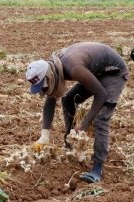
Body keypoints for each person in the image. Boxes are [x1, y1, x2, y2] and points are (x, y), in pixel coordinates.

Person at [25, 42, 128, 183]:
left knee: (99, 119)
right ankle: (70, 144)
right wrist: (44, 137)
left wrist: (85, 123)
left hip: (113, 73)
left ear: (50, 77)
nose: (46, 89)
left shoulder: (74, 68)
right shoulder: (54, 67)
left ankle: (97, 168)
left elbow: (101, 94)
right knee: (68, 100)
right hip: (96, 71)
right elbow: (50, 98)